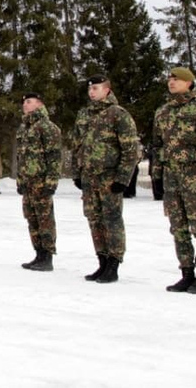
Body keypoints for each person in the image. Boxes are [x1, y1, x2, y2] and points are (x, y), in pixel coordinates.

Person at [152, 67, 196, 294]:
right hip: (172, 178)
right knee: (178, 228)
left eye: (177, 79)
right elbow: (157, 146)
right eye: (170, 78)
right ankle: (186, 272)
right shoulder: (163, 111)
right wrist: (157, 176)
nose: (171, 82)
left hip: (195, 176)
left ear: (190, 83)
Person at [72, 74, 140, 284]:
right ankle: (102, 260)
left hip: (109, 177)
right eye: (90, 89)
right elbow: (77, 146)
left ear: (107, 90)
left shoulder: (118, 114)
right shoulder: (84, 115)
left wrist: (123, 177)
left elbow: (130, 149)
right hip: (89, 178)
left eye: (97, 88)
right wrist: (77, 172)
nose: (92, 92)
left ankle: (114, 263)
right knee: (94, 219)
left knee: (112, 220)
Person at [15, 93, 62, 272]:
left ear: (40, 104)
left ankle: (48, 256)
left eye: (29, 102)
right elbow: (21, 158)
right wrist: (20, 180)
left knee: (45, 219)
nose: (25, 105)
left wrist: (51, 181)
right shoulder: (24, 128)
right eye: (24, 102)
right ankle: (38, 253)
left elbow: (54, 157)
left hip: (41, 181)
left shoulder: (47, 127)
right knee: (31, 218)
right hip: (28, 182)